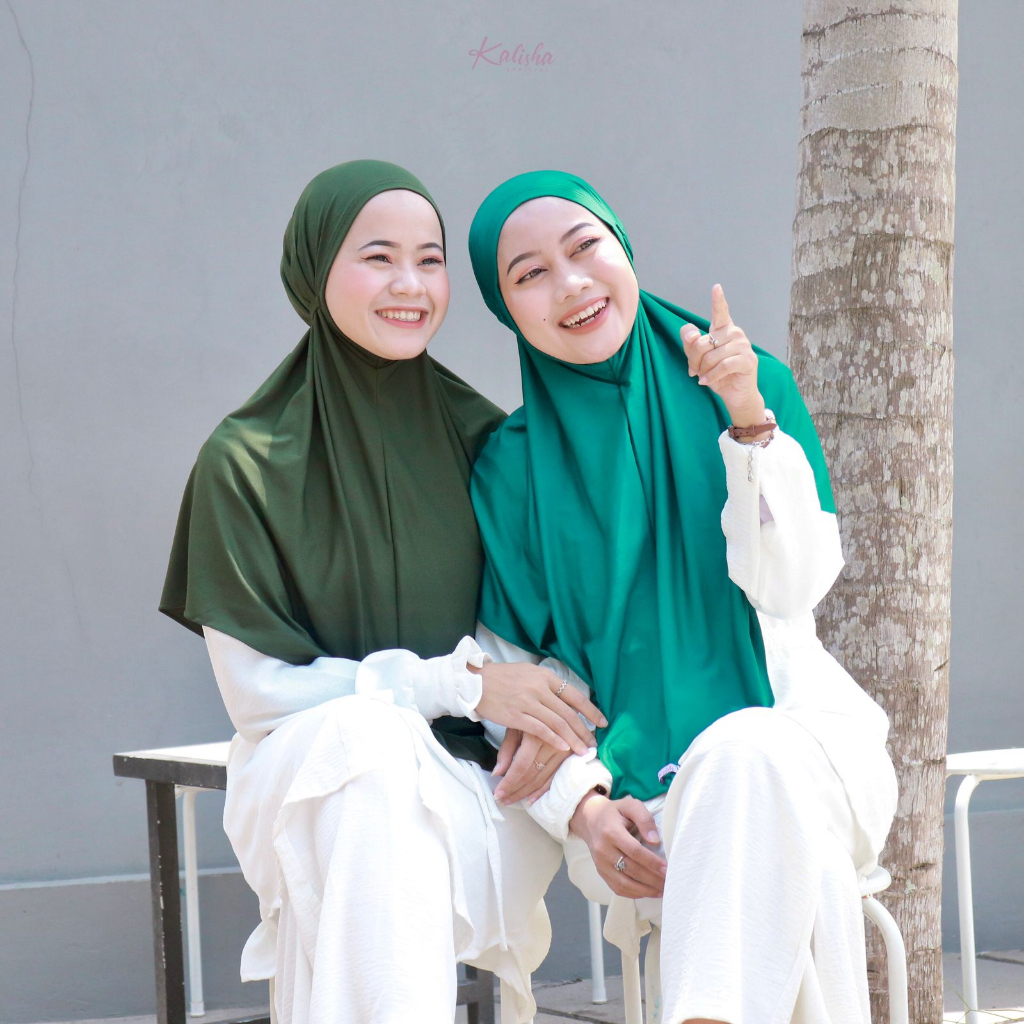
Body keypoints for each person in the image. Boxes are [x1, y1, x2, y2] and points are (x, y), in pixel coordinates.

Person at [158, 160, 608, 1024]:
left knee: (376, 772)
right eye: (378, 258)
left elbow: (551, 633)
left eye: (430, 260)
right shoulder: (243, 462)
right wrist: (452, 684)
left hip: (477, 781)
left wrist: (537, 704)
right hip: (311, 777)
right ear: (315, 271)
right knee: (365, 751)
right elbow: (258, 697)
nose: (411, 285)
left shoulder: (488, 441)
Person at [466, 170, 899, 1024]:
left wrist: (746, 422)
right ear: (507, 310)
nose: (572, 284)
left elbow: (793, 587)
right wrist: (582, 810)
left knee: (746, 753)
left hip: (803, 743)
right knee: (771, 855)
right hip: (635, 811)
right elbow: (515, 685)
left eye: (585, 247)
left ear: (623, 248)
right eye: (531, 274)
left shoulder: (748, 387)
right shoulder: (509, 469)